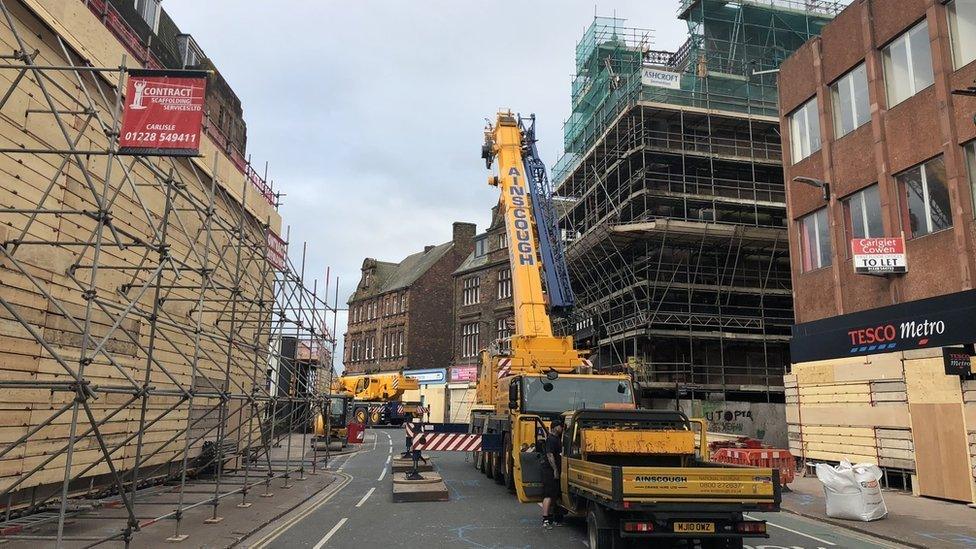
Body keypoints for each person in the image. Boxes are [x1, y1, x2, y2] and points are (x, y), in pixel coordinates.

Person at [541, 418, 564, 529]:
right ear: (555, 427)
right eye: (560, 426)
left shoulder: (557, 438)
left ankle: (554, 518)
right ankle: (545, 519)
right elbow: (550, 455)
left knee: (555, 495)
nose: (562, 428)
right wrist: (555, 469)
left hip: (556, 471)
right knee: (548, 495)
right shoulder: (551, 439)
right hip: (550, 471)